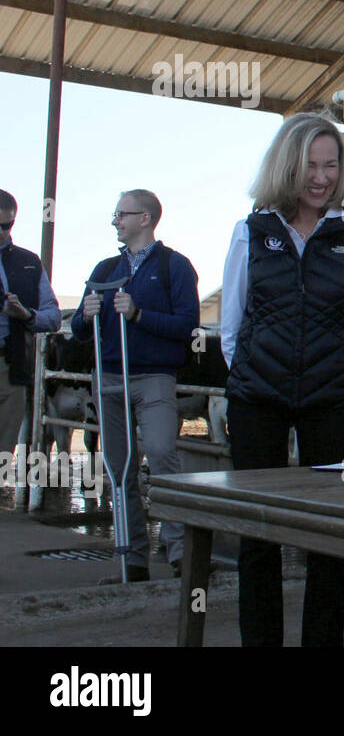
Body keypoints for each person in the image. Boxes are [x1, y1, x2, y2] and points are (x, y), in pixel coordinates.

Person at [221, 113, 344, 646]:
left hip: (329, 402)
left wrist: (330, 372)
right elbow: (232, 325)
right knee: (257, 533)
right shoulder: (251, 232)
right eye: (310, 165)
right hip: (256, 401)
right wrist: (255, 375)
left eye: (331, 165)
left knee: (328, 534)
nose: (321, 177)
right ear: (287, 166)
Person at [69, 190, 201, 582]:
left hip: (154, 376)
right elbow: (78, 330)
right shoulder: (106, 268)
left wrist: (140, 315)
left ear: (145, 218)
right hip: (109, 375)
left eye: (121, 215)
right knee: (118, 468)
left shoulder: (174, 266)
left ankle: (181, 555)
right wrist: (85, 316)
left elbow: (187, 326)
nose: (115, 221)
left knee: (162, 459)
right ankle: (133, 559)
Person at [0, 189, 61, 459]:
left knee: (2, 451)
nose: (1, 231)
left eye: (6, 225)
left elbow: (54, 317)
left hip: (9, 367)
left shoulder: (29, 262)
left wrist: (26, 315)